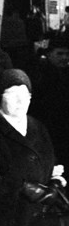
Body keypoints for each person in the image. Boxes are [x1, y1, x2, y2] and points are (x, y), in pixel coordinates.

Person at [0, 69, 66, 226]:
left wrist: (53, 186)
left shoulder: (39, 127)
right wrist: (26, 188)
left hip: (41, 219)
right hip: (7, 222)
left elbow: (54, 166)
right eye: (12, 94)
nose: (20, 100)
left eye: (25, 94)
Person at [30, 37, 69, 169]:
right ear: (49, 54)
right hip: (51, 132)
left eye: (67, 54)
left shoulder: (63, 73)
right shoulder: (40, 76)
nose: (64, 57)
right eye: (60, 53)